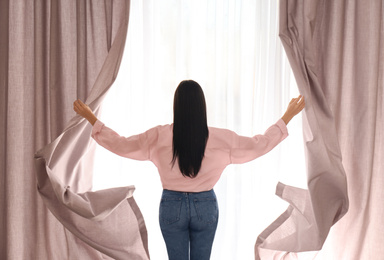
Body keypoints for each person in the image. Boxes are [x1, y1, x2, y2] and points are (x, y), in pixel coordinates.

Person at [73, 80, 305, 260]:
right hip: (205, 206)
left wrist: (92, 119)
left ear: (176, 106)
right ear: (202, 106)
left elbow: (122, 144)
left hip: (171, 205)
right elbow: (259, 144)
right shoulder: (221, 139)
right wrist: (287, 117)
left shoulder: (159, 136)